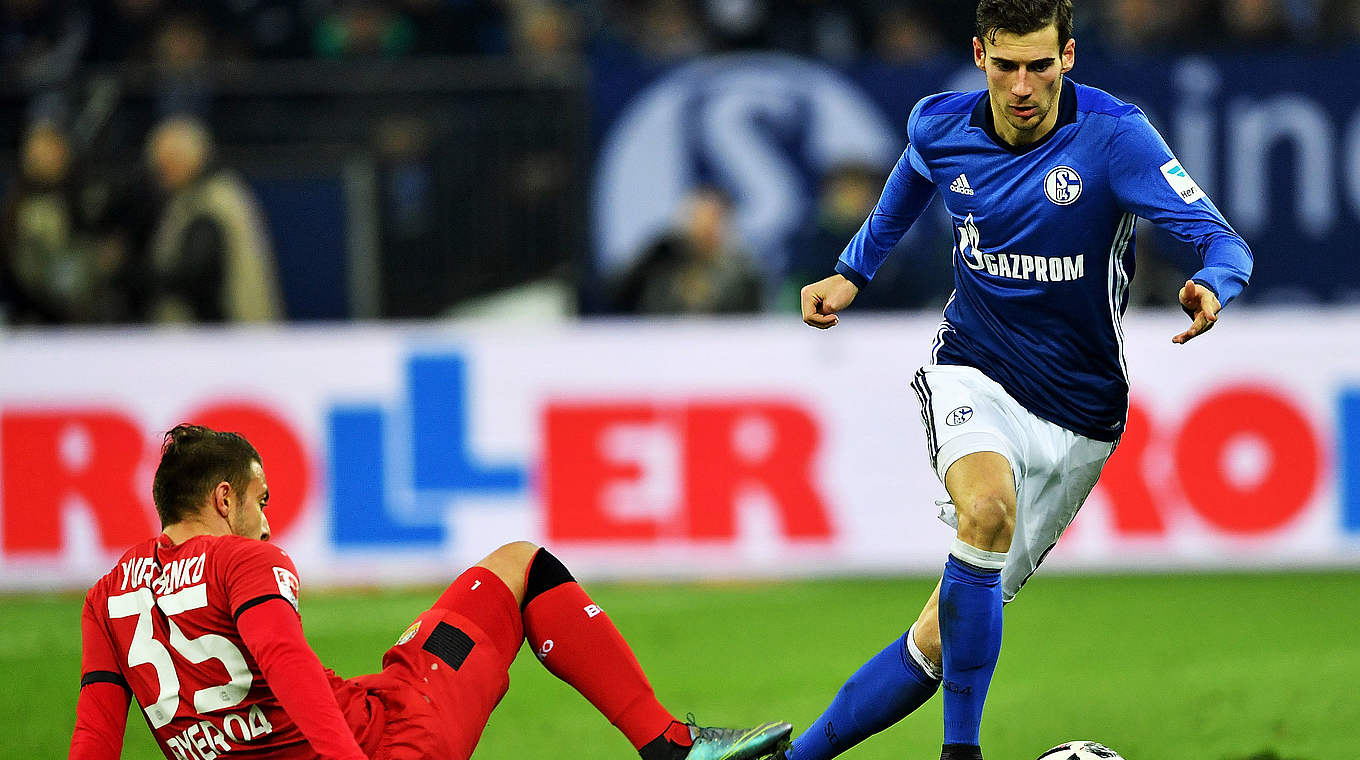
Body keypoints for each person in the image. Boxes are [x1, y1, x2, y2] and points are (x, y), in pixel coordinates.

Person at [789, 2, 1253, 760]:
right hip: (974, 364)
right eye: (1006, 66)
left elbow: (1222, 240)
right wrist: (851, 272)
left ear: (1068, 55)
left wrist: (1214, 284)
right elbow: (911, 177)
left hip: (1081, 412)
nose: (1024, 84)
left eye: (1041, 64)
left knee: (938, 639)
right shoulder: (941, 124)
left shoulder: (1114, 136)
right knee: (986, 511)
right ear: (980, 55)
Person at [69, 424, 793, 760]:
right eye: (261, 498)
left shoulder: (104, 598)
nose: (267, 519)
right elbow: (285, 662)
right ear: (224, 499)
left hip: (347, 719)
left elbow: (95, 740)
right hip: (389, 737)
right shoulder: (241, 561)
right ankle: (670, 746)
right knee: (520, 565)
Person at [145, 117, 284, 322]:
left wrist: (133, 276)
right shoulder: (222, 192)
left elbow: (195, 278)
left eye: (169, 162)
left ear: (192, 158)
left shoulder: (209, 204)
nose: (162, 171)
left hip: (224, 340)